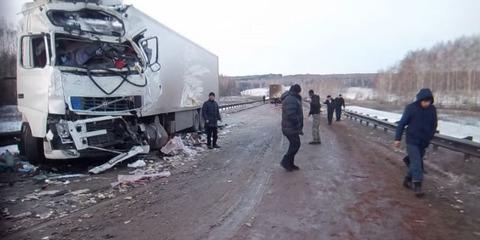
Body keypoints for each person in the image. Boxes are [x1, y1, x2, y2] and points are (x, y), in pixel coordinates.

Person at [394, 88, 437, 197]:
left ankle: (407, 179)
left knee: (414, 162)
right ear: (420, 100)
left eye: (428, 101)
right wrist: (397, 139)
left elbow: (434, 125)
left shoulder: (432, 110)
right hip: (412, 140)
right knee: (417, 162)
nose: (426, 103)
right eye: (424, 101)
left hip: (423, 141)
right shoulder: (411, 108)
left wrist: (430, 137)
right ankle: (417, 185)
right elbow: (402, 124)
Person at [280, 84, 304, 171]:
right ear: (297, 91)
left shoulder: (292, 97)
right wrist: (297, 124)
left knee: (294, 145)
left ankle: (290, 164)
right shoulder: (291, 99)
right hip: (290, 128)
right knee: (295, 145)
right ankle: (285, 162)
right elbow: (291, 114)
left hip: (291, 127)